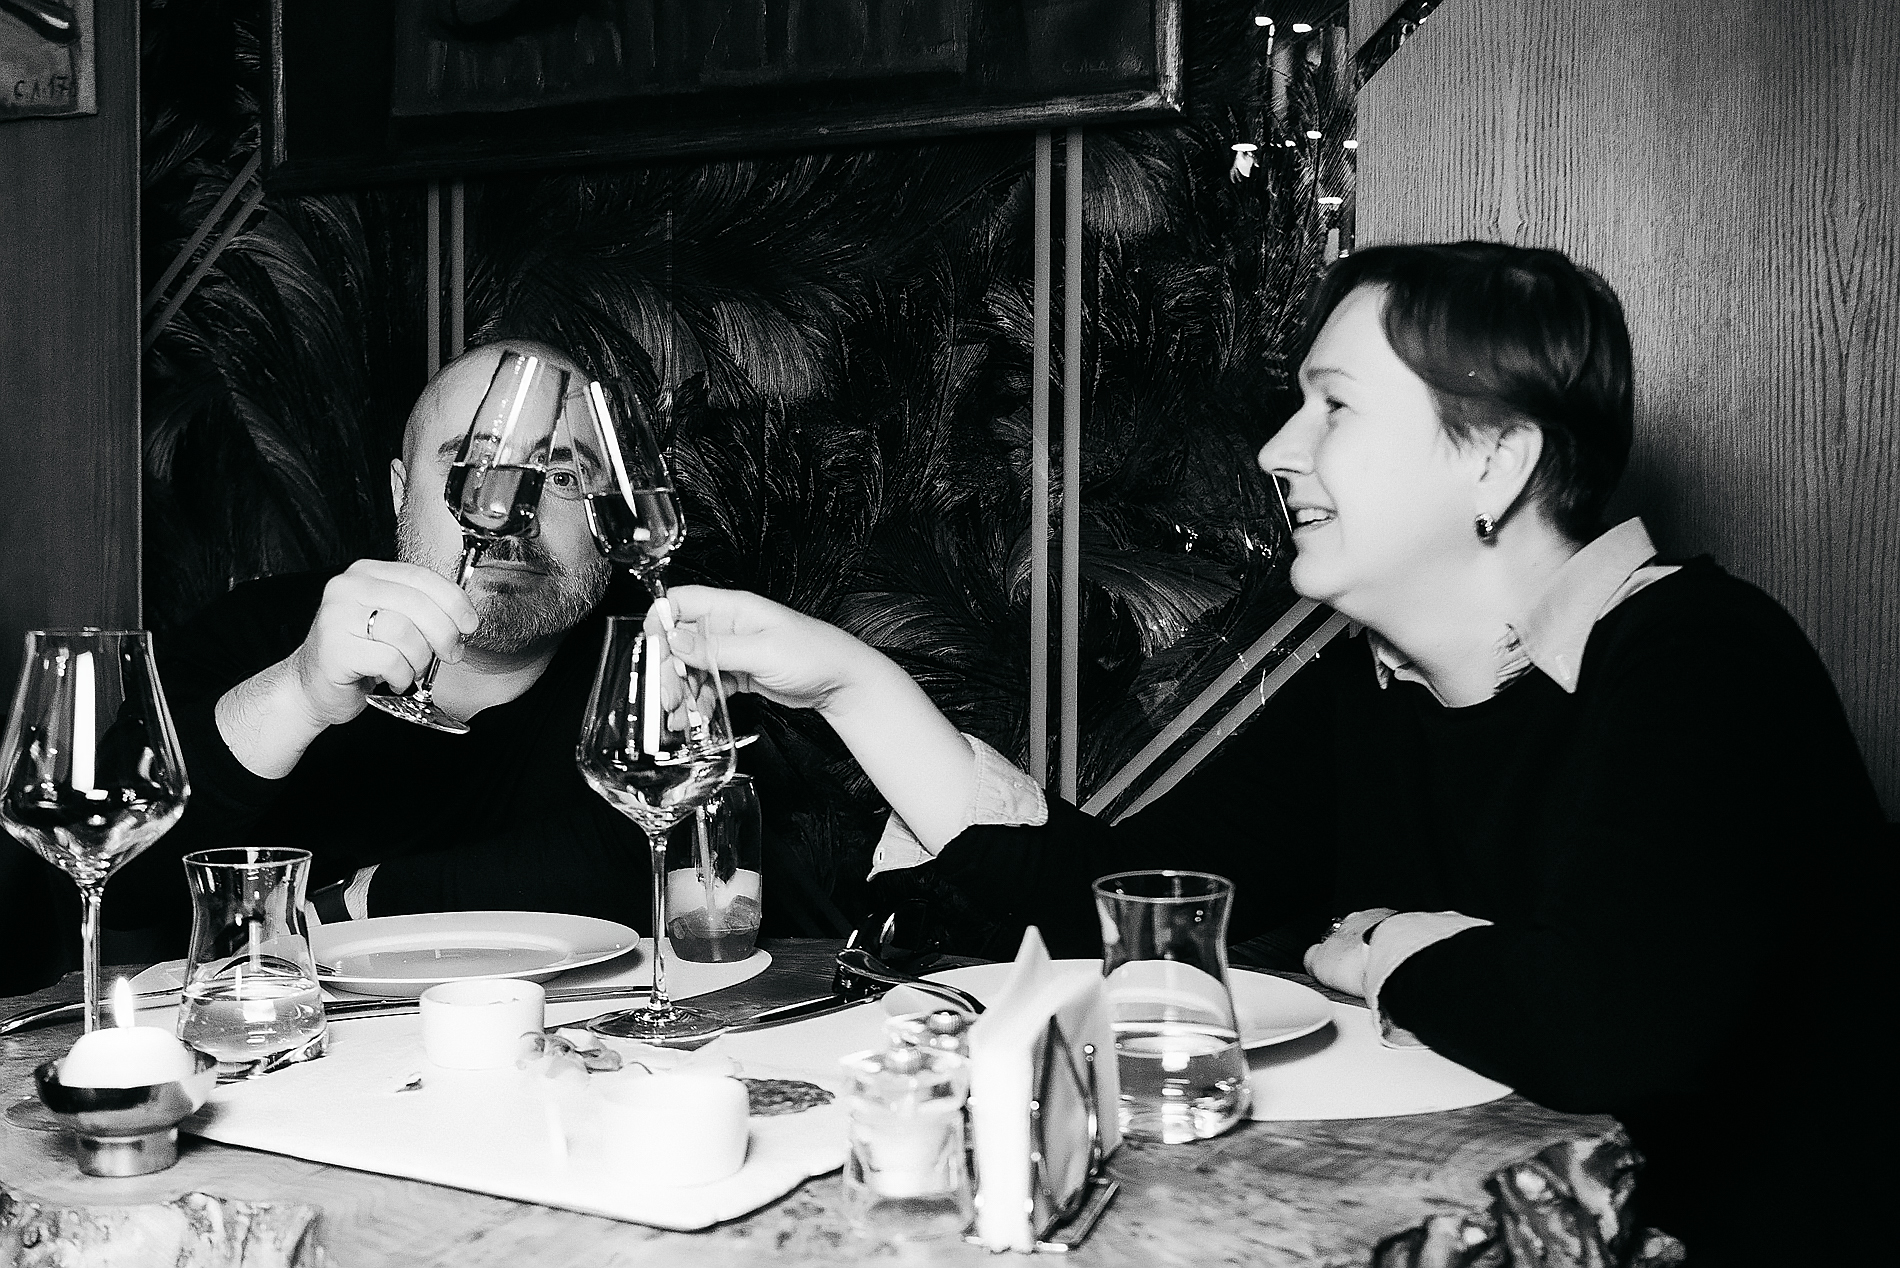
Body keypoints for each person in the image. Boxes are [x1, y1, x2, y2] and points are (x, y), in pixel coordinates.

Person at [657, 243, 1882, 1261]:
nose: (1278, 450)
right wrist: (851, 682)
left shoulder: (1700, 653)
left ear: (1495, 459)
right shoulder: (1371, 689)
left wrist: (1387, 948)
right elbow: (1123, 905)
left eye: (1334, 406)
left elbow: (1608, 1028)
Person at [108, 340, 651, 941]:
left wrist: (363, 902)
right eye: (474, 465)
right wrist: (298, 694)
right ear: (401, 492)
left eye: (563, 477)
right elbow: (102, 869)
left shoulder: (654, 653)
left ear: (608, 512)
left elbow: (675, 865)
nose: (509, 511)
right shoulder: (256, 629)